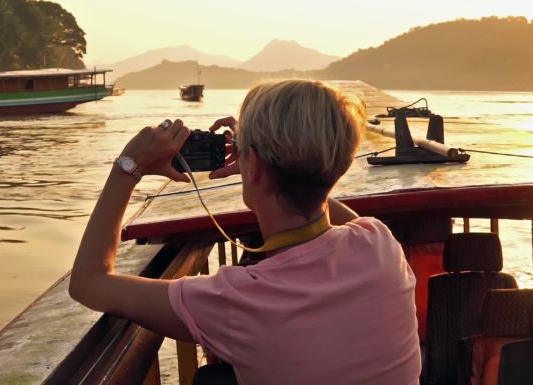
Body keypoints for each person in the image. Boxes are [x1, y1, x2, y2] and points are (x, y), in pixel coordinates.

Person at [69, 79, 421, 385]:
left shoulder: (238, 301)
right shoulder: (380, 245)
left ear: (254, 166)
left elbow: (89, 282)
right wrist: (261, 163)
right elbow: (321, 197)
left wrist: (128, 166)